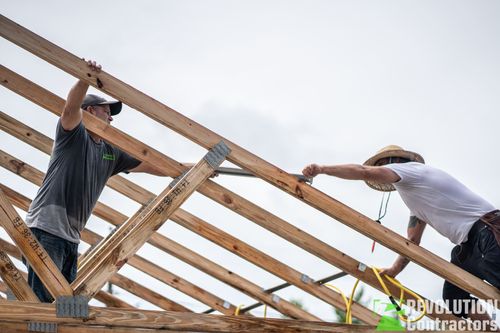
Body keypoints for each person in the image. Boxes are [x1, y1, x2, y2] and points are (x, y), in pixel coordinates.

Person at [302, 145, 500, 321]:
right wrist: (394, 271)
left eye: (381, 166)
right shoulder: (416, 194)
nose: (380, 171)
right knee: (455, 296)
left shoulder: (410, 170)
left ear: (394, 162)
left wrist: (322, 169)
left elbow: (363, 171)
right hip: (470, 245)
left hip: (488, 232)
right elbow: (412, 241)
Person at [24, 60, 166, 302]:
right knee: (43, 305)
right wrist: (85, 77)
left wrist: (192, 168)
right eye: (106, 112)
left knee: (62, 305)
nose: (111, 119)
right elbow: (70, 109)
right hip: (46, 228)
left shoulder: (110, 153)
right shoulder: (73, 136)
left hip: (70, 237)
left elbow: (152, 165)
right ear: (90, 112)